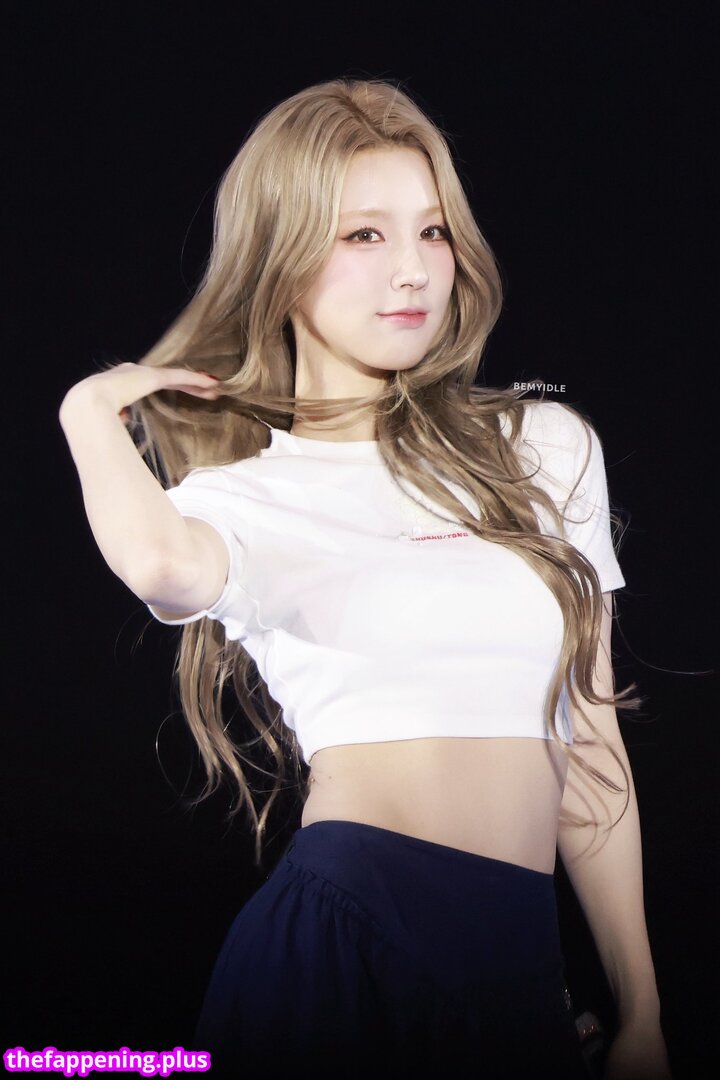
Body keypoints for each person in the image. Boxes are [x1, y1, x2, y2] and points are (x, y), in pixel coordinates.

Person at [59, 78, 672, 1077]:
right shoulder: (246, 495)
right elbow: (163, 568)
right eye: (363, 236)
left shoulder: (544, 446)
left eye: (432, 232)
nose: (413, 270)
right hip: (339, 955)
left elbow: (590, 742)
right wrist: (88, 414)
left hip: (517, 966)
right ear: (281, 258)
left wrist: (641, 1009)